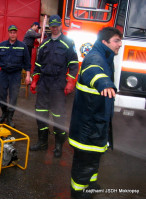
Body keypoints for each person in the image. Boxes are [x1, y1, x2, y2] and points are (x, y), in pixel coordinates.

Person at [69, 27, 122, 198]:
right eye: (116, 41)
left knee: (94, 158)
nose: (120, 44)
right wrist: (104, 83)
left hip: (96, 122)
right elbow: (93, 71)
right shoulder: (95, 57)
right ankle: (78, 192)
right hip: (88, 126)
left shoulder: (106, 56)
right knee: (84, 162)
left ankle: (90, 184)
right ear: (105, 42)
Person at [29, 15, 79, 158]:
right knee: (40, 113)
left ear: (61, 26)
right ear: (49, 27)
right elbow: (38, 65)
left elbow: (74, 65)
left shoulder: (69, 43)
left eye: (57, 25)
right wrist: (34, 80)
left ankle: (58, 146)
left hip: (58, 85)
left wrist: (70, 82)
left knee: (58, 116)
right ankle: (42, 142)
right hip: (44, 84)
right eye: (52, 26)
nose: (55, 28)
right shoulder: (44, 44)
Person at [0, 25, 31, 127]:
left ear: (17, 33)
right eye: (11, 32)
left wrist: (27, 76)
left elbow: (27, 63)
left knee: (13, 97)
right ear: (8, 33)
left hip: (15, 74)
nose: (13, 34)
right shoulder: (2, 45)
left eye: (14, 32)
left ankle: (9, 117)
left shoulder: (23, 46)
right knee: (0, 95)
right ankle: (4, 112)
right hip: (3, 73)